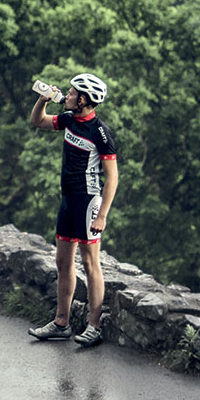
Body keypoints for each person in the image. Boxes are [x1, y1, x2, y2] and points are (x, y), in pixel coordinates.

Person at [27, 73, 118, 347]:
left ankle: (94, 326)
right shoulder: (68, 119)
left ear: (84, 100)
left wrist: (102, 214)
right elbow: (37, 121)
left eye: (71, 93)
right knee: (63, 262)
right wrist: (42, 101)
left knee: (91, 264)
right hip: (67, 200)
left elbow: (112, 177)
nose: (66, 95)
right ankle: (61, 322)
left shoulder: (100, 132)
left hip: (88, 201)